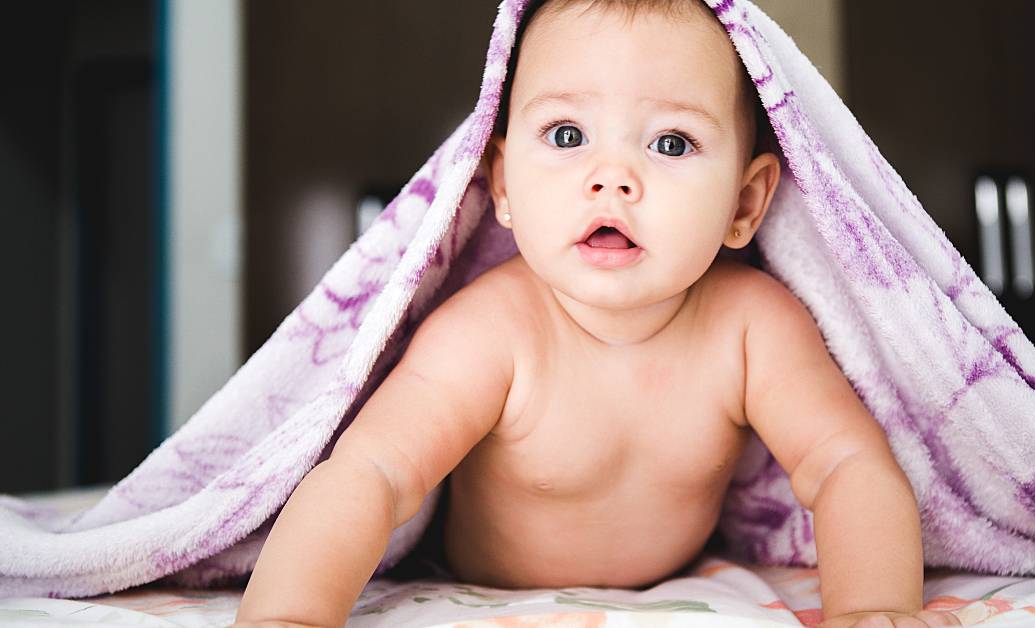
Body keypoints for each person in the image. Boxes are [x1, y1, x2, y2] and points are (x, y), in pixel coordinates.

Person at [235, 1, 962, 626]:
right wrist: (292, 612)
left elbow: (846, 464)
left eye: (670, 143)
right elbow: (373, 473)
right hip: (484, 582)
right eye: (566, 135)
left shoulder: (752, 329)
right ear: (504, 185)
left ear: (744, 204)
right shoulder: (490, 332)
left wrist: (872, 606)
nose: (611, 177)